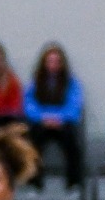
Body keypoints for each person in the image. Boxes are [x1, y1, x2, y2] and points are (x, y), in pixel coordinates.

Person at [25, 42, 86, 190]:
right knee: (32, 143)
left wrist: (59, 118)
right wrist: (43, 118)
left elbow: (74, 105)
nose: (53, 64)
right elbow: (29, 104)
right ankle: (34, 183)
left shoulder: (71, 82)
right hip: (41, 123)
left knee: (72, 143)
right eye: (50, 61)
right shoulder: (36, 82)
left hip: (63, 123)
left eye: (57, 61)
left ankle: (74, 183)